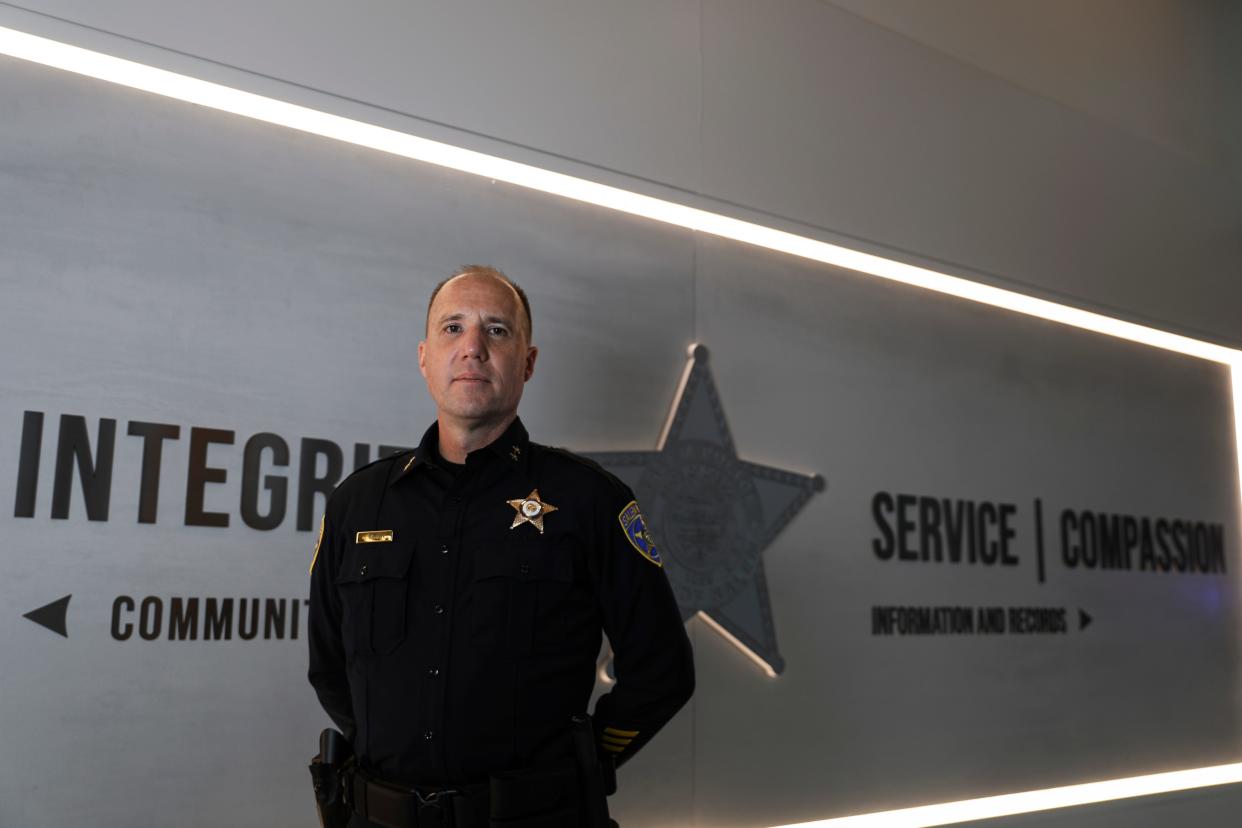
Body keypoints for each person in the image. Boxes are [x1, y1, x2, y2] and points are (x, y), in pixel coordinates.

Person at [308, 265, 695, 827]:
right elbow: (329, 667)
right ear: (424, 358)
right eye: (452, 328)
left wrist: (583, 762)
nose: (472, 348)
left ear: (528, 362)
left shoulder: (590, 500)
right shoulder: (357, 503)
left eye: (496, 330)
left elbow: (662, 670)